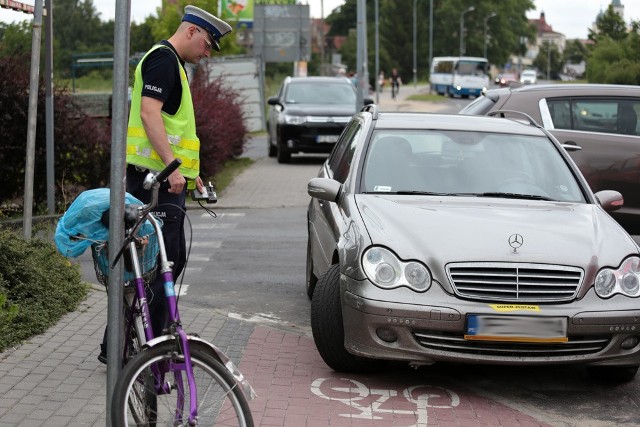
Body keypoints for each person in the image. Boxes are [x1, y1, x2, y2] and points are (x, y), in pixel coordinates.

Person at [99, 5, 232, 364]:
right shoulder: (163, 61)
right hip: (154, 183)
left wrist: (189, 172)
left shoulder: (172, 63)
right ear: (190, 31)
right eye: (206, 44)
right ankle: (153, 347)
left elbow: (173, 128)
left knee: (153, 263)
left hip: (159, 180)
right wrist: (174, 168)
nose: (206, 54)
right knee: (162, 263)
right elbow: (148, 113)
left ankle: (121, 345)